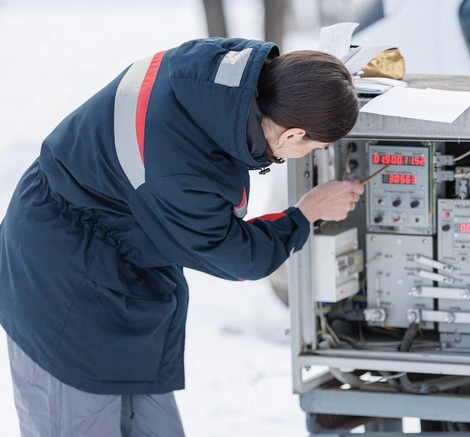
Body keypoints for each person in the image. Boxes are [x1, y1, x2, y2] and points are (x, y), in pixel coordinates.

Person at [0, 37, 363, 436]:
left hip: (118, 262)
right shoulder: (180, 173)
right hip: (60, 284)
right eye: (317, 146)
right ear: (293, 135)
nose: (311, 156)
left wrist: (329, 84)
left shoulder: (218, 70)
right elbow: (237, 256)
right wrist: (306, 212)